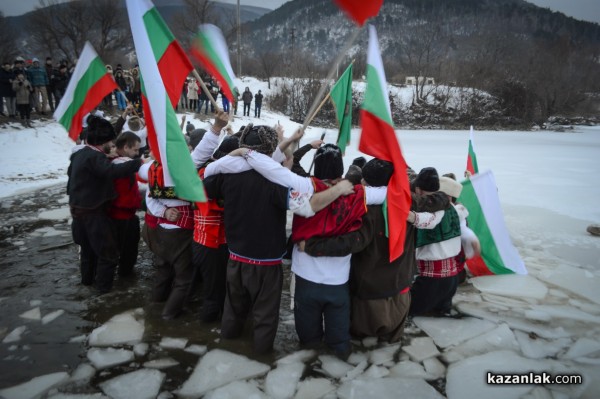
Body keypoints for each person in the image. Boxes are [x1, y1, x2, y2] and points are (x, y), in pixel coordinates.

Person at [203, 126, 355, 354]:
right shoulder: (276, 183)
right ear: (269, 150)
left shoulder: (227, 175)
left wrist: (235, 155)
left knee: (233, 309)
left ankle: (226, 348)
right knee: (264, 315)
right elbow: (307, 206)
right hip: (266, 264)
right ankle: (261, 358)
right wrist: (340, 189)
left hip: (235, 258)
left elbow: (205, 178)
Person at [301, 159, 449, 343]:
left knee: (360, 348)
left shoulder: (364, 209)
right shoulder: (407, 203)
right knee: (391, 348)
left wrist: (312, 246)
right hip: (401, 290)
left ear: (366, 183)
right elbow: (438, 200)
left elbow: (352, 242)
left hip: (370, 297)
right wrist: (441, 197)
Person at [140, 110, 229, 320]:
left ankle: (155, 304)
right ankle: (169, 315)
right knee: (184, 278)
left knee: (163, 272)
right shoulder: (181, 168)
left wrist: (163, 211)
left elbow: (150, 199)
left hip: (160, 230)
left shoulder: (153, 169)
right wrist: (216, 128)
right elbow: (202, 153)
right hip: (181, 232)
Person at [67, 116, 143, 294]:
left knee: (88, 252)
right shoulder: (95, 157)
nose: (113, 145)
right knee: (107, 255)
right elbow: (112, 171)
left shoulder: (80, 154)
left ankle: (87, 284)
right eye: (110, 141)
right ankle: (103, 295)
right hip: (93, 214)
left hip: (78, 213)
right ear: (103, 142)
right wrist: (139, 163)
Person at [409, 169, 479, 317]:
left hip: (432, 277)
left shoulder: (436, 212)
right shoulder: (456, 211)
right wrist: (472, 240)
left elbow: (426, 221)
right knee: (440, 310)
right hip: (450, 276)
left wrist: (407, 214)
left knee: (410, 310)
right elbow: (463, 229)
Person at [108, 132, 142, 278]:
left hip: (128, 214)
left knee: (128, 248)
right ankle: (123, 276)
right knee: (124, 249)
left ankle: (125, 272)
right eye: (135, 150)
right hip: (120, 215)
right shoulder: (118, 163)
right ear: (126, 147)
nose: (137, 153)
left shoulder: (122, 162)